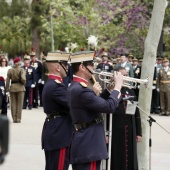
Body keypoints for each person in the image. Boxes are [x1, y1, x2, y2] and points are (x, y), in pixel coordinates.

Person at [68, 51, 123, 170]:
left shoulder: (77, 87)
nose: (94, 67)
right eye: (91, 64)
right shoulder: (82, 90)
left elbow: (95, 105)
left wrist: (109, 90)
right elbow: (109, 107)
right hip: (89, 145)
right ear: (82, 67)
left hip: (86, 143)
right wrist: (118, 87)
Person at [41, 52, 73, 170]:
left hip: (56, 132)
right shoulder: (57, 86)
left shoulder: (53, 83)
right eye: (65, 64)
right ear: (58, 67)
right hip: (59, 135)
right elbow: (74, 105)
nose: (68, 67)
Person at [110, 67, 142, 170]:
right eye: (123, 75)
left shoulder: (131, 92)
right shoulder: (112, 91)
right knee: (117, 156)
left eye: (127, 74)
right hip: (116, 128)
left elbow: (136, 113)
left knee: (130, 156)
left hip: (130, 127)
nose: (126, 77)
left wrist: (138, 132)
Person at [6, 57, 26, 123]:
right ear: (18, 62)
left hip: (13, 88)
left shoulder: (10, 70)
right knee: (19, 104)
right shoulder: (21, 70)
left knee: (13, 104)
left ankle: (14, 118)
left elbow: (8, 80)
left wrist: (7, 89)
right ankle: (18, 118)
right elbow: (23, 79)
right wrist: (24, 83)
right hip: (20, 87)